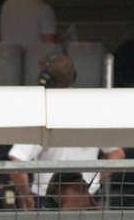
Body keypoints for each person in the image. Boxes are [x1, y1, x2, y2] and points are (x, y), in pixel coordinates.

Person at [8, 55, 124, 211]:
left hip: (50, 201)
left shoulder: (42, 111)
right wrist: (94, 180)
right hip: (86, 198)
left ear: (45, 79)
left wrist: (25, 194)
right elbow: (117, 154)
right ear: (74, 77)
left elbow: (17, 162)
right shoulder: (92, 110)